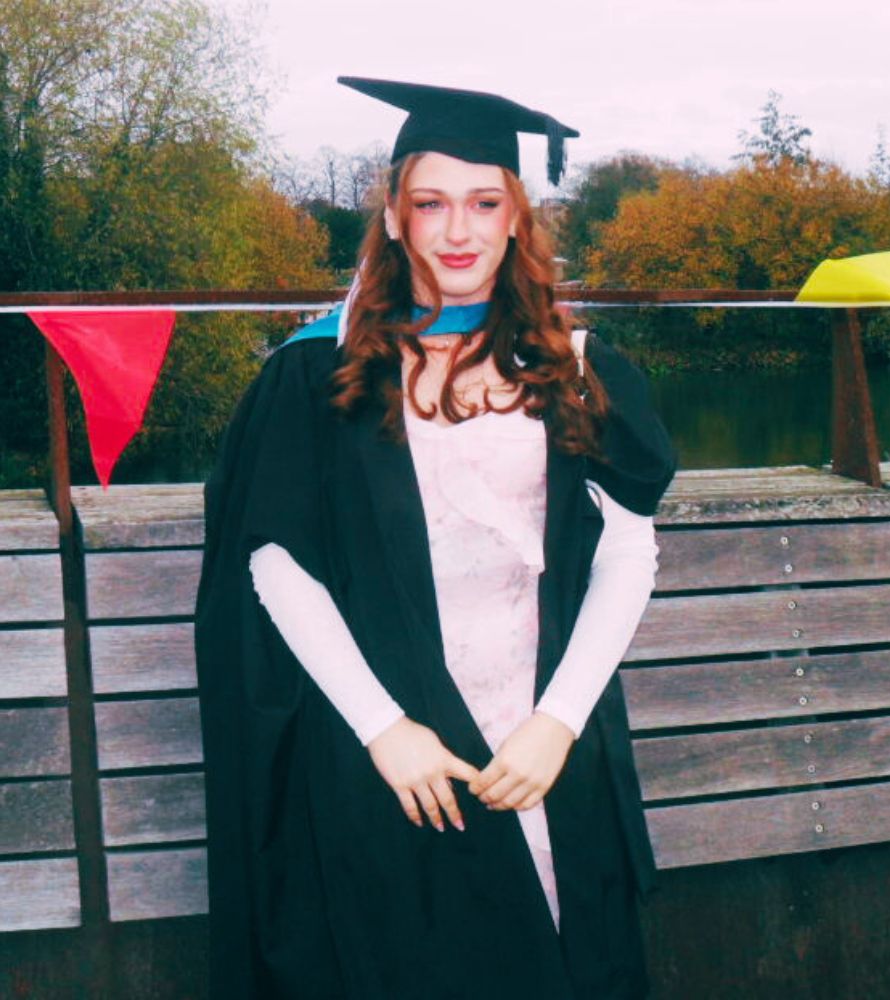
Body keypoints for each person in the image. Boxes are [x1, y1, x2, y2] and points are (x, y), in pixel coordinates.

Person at [194, 77, 677, 999]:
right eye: (431, 204)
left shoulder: (573, 367)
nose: (459, 231)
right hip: (391, 744)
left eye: (484, 203)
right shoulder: (318, 374)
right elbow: (275, 562)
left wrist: (560, 721)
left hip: (542, 737)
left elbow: (628, 549)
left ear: (515, 217)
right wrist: (385, 731)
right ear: (394, 217)